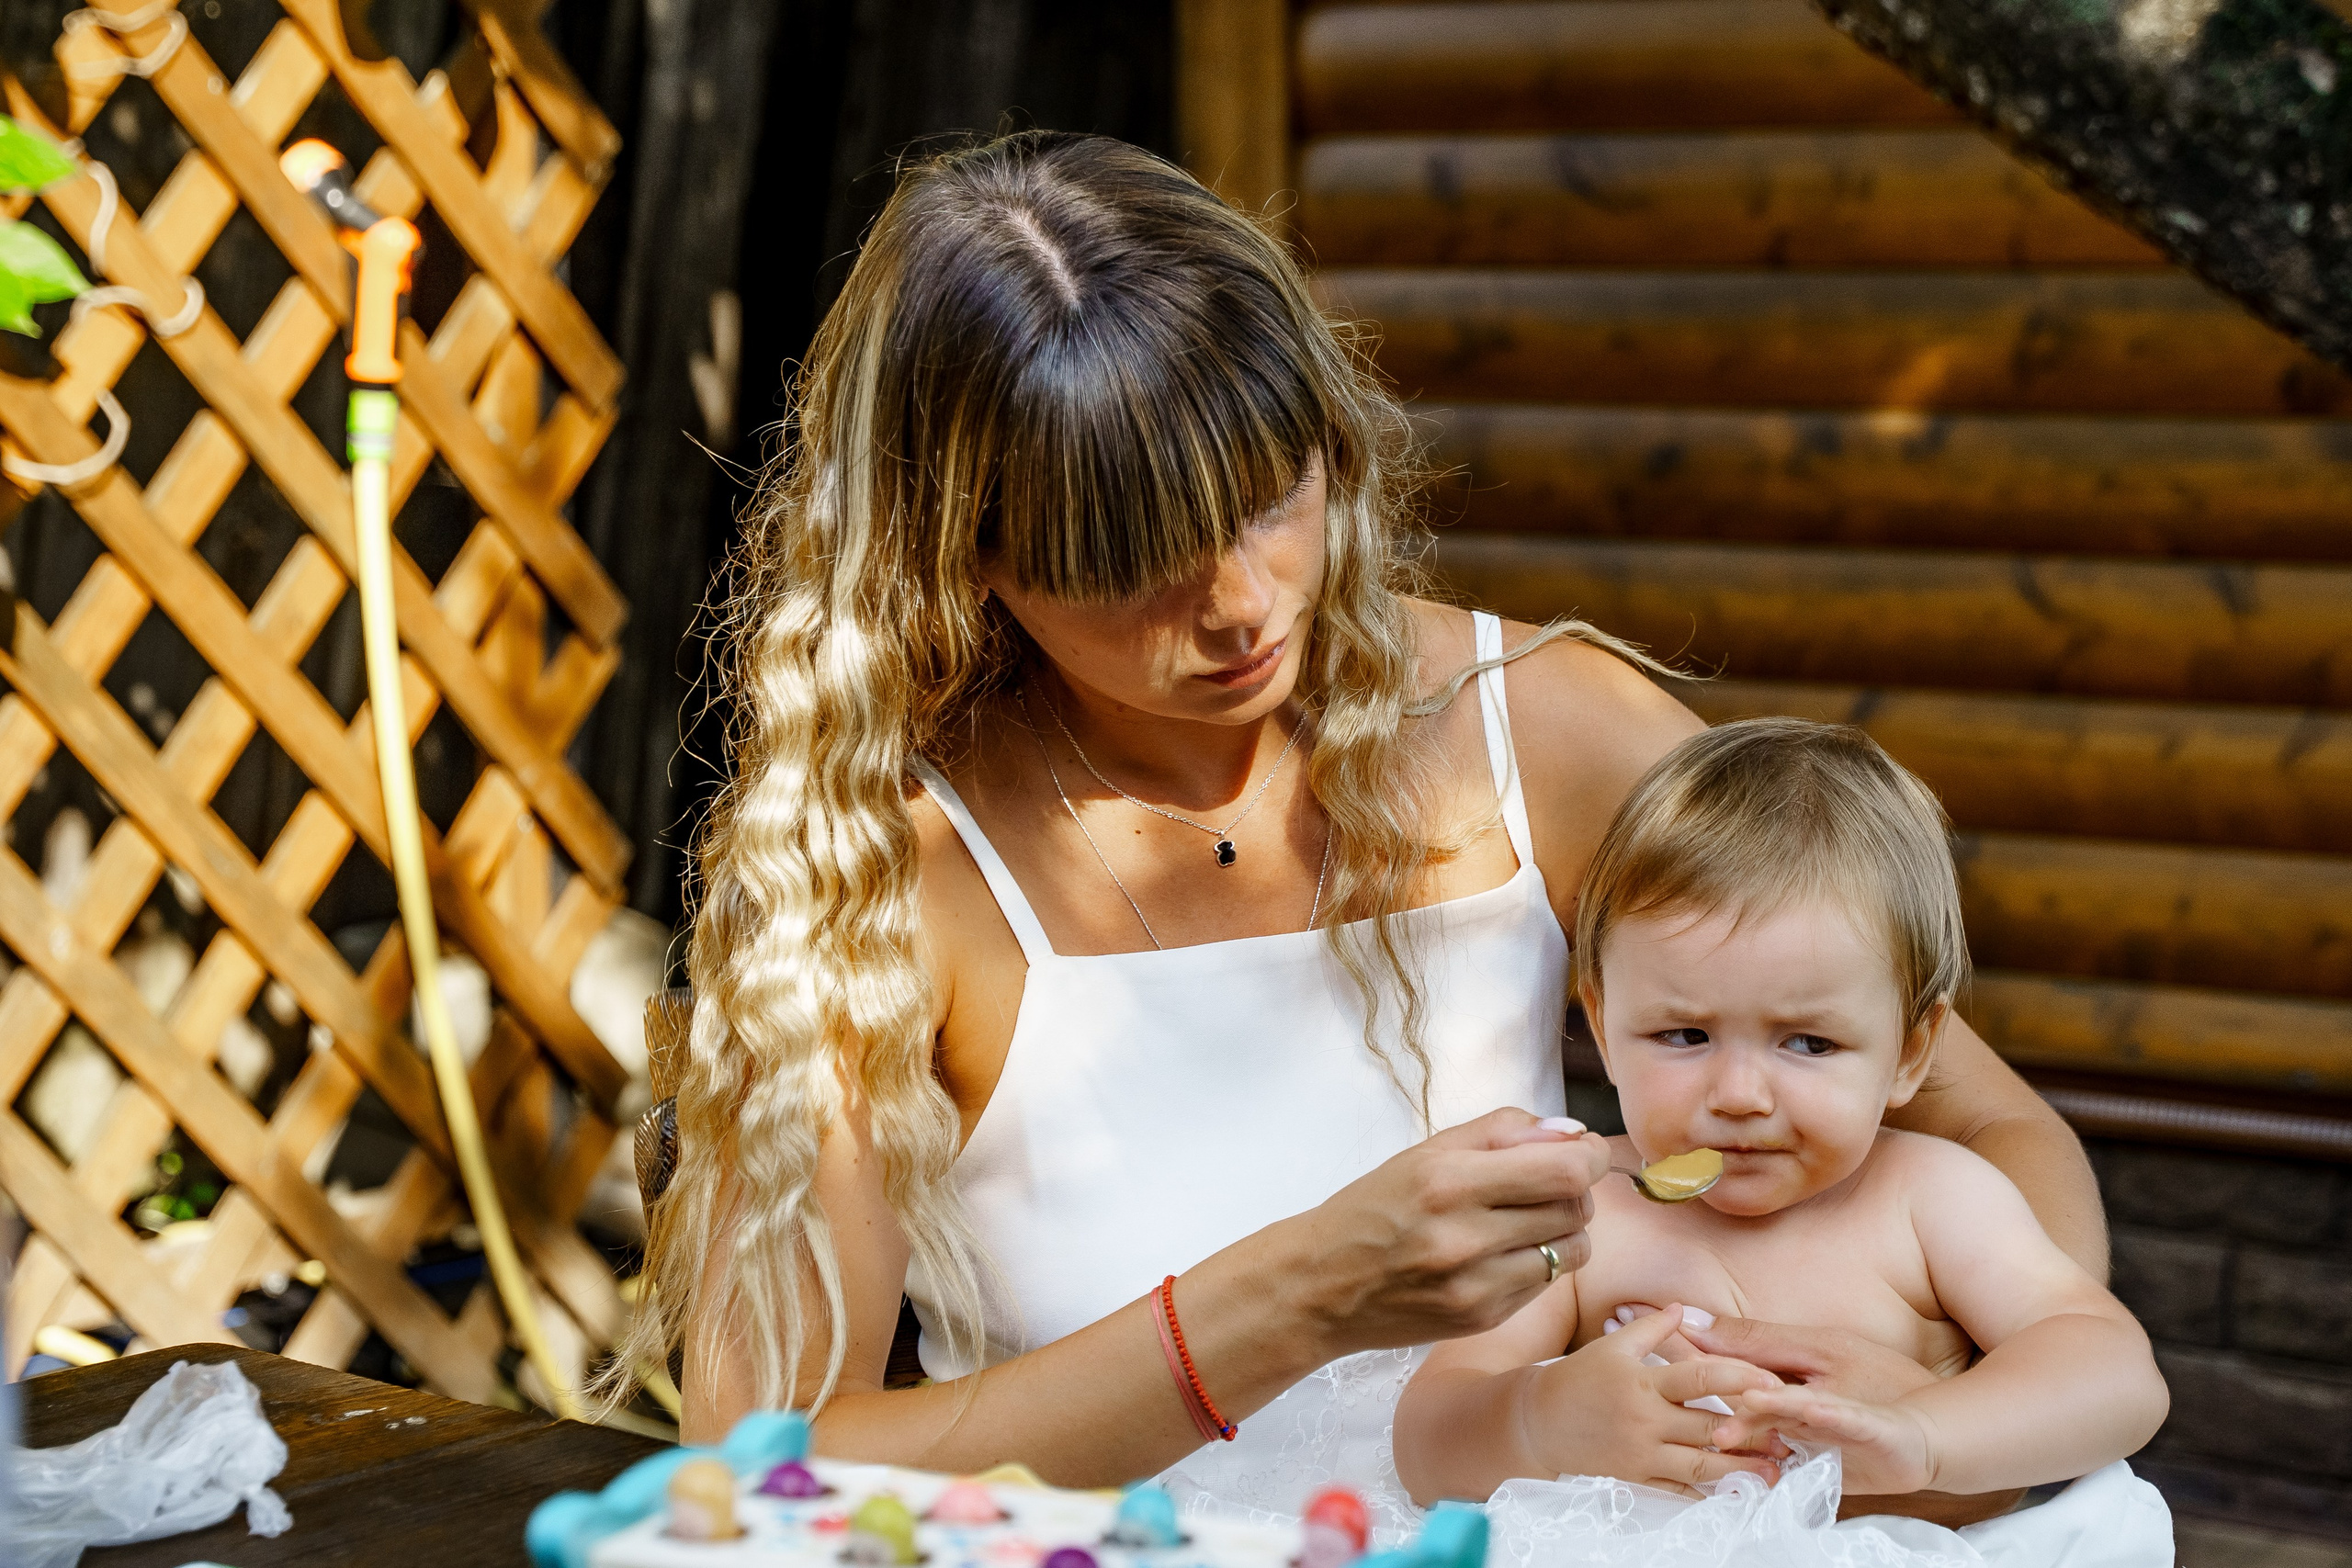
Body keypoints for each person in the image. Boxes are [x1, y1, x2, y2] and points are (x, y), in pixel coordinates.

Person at [622, 130, 2106, 1529]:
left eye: (1274, 495)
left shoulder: (1545, 732)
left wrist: (1938, 1424)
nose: (1240, 602)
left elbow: (1986, 1126)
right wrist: (1299, 1295)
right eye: (1134, 560)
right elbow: (759, 1467)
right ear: (968, 556)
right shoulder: (878, 874)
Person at [1394, 720, 2170, 1562]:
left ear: (1911, 1052)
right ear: (1606, 1024)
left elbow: (2116, 1374)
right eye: (1685, 1034)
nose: (1738, 1096)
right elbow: (1428, 1432)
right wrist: (1534, 1420)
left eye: (1807, 1043)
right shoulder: (1581, 1209)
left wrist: (1926, 1435)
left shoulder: (1932, 1199)